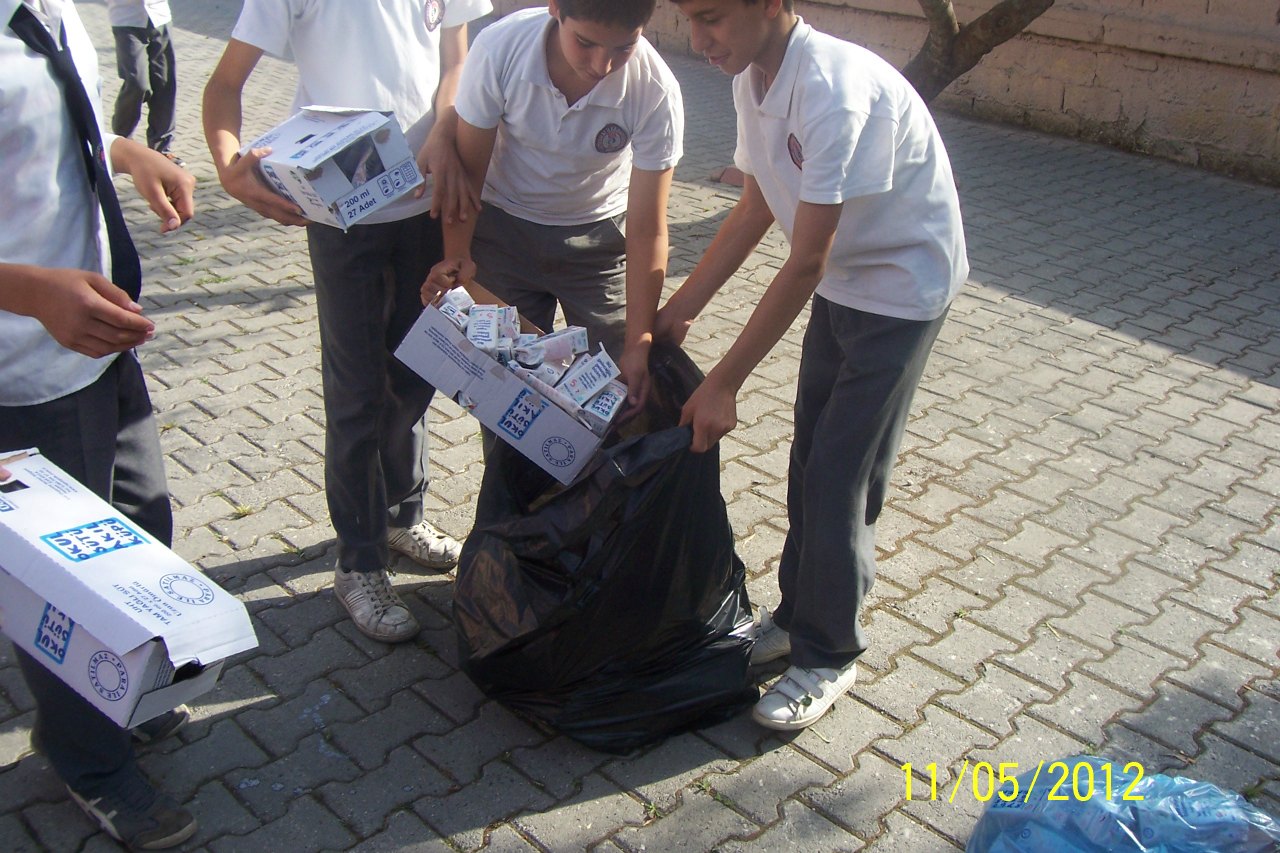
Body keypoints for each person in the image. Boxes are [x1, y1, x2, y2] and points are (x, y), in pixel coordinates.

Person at [659, 0, 969, 730]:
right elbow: (755, 208)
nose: (698, 40)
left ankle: (830, 652)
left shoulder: (832, 88)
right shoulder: (752, 74)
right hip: (845, 280)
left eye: (711, 18)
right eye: (689, 20)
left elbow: (804, 261)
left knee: (842, 470)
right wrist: (682, 310)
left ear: (769, 4)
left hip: (901, 286)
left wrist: (723, 380)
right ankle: (798, 613)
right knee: (810, 452)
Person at [203, 0, 492, 645]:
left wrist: (445, 129)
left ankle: (401, 512)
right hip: (343, 219)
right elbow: (224, 84)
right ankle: (359, 560)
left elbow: (457, 62)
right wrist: (229, 167)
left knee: (416, 375)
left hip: (426, 207)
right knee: (358, 390)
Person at [0, 0, 198, 845]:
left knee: (141, 528)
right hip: (24, 360)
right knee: (69, 587)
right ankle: (87, 758)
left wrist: (123, 153)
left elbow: (41, 133)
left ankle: (115, 696)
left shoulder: (42, 8)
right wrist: (31, 292)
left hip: (97, 340)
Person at [424, 0, 684, 414]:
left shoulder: (654, 88)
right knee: (506, 395)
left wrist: (638, 343)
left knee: (619, 393)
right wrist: (458, 254)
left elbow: (648, 228)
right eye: (585, 42)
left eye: (623, 47)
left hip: (598, 242)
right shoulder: (499, 48)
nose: (602, 65)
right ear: (555, 9)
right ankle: (511, 480)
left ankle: (601, 479)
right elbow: (470, 175)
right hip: (503, 232)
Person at [107, 0, 180, 163]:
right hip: (126, 19)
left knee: (164, 83)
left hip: (160, 16)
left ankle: (162, 149)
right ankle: (120, 143)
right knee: (136, 84)